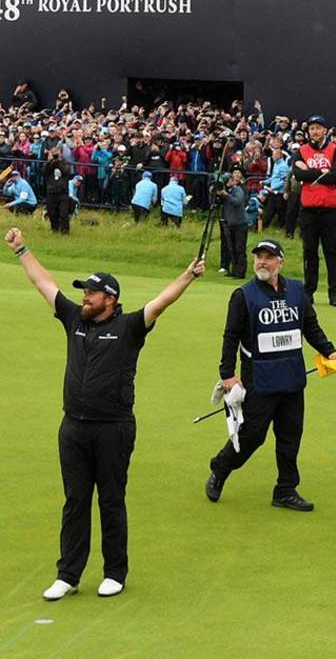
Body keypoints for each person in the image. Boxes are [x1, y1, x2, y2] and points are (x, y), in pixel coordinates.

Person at [3, 225, 205, 600]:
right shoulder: (73, 319)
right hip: (73, 427)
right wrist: (21, 249)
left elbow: (161, 303)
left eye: (92, 293)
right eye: (84, 292)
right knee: (75, 499)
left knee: (111, 498)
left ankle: (115, 572)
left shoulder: (129, 327)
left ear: (110, 299)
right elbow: (43, 284)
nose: (85, 297)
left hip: (113, 428)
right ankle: (68, 574)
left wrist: (188, 276)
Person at [205, 239, 336, 511]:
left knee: (291, 434)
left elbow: (310, 326)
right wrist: (228, 374)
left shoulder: (297, 290)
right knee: (252, 435)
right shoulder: (243, 295)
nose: (262, 262)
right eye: (259, 257)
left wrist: (330, 351)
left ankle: (285, 489)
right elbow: (230, 336)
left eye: (269, 257)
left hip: (291, 377)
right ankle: (220, 468)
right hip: (260, 379)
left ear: (280, 262)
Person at [293, 115, 336, 306]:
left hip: (329, 210)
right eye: (312, 128)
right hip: (308, 210)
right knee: (310, 252)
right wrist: (322, 172)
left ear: (325, 130)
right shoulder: (302, 150)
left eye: (318, 128)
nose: (314, 131)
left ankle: (334, 294)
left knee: (332, 252)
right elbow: (298, 174)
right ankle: (309, 292)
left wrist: (310, 173)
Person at [217, 167, 249, 279]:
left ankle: (240, 272)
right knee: (232, 249)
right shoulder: (228, 192)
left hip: (240, 224)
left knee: (240, 248)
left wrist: (226, 195)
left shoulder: (237, 190)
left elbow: (238, 201)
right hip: (231, 223)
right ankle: (234, 270)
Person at [44, 147, 71, 232]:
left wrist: (58, 163)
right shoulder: (49, 163)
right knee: (52, 212)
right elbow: (44, 172)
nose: (55, 156)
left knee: (64, 212)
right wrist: (50, 162)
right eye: (53, 154)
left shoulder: (65, 162)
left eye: (57, 154)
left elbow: (66, 172)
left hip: (62, 191)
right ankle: (55, 229)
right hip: (51, 191)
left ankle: (65, 230)